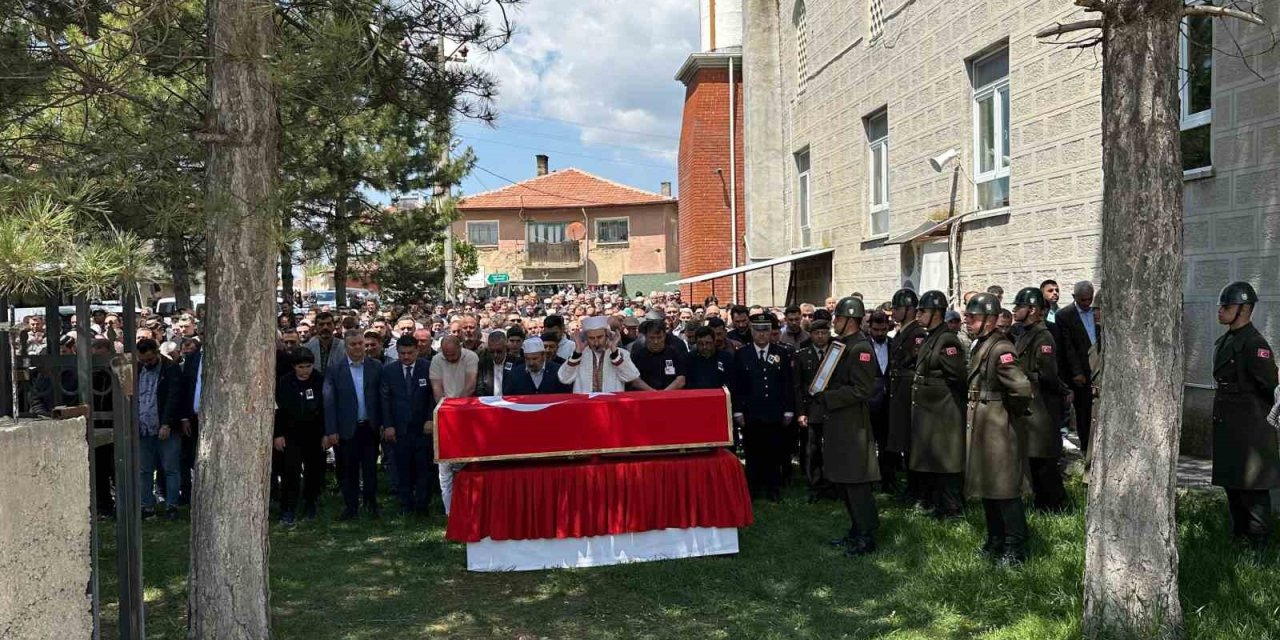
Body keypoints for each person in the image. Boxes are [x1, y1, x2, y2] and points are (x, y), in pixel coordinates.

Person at [963, 293, 1034, 565]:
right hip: (984, 423)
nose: (967, 321)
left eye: (973, 317)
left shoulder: (1001, 348)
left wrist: (1008, 414)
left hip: (998, 425)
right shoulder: (982, 344)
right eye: (967, 316)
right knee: (988, 487)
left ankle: (1015, 547)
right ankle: (995, 539)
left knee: (1004, 490)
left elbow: (1021, 389)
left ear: (990, 320)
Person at [1212, 281, 1279, 548]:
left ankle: (1259, 542)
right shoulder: (1226, 340)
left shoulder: (1255, 344)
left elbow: (1271, 386)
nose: (1220, 310)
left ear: (1244, 309)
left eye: (1226, 306)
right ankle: (1239, 536)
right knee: (1233, 482)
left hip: (1251, 427)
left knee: (1253, 486)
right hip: (1230, 423)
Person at [818, 297, 882, 556]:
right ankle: (856, 529)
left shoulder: (860, 348)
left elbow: (863, 389)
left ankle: (866, 535)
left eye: (838, 317)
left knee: (856, 481)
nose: (834, 321)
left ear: (850, 320)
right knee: (845, 481)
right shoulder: (844, 344)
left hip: (852, 424)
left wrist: (828, 398)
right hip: (839, 421)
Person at [910, 290, 968, 518]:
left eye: (922, 311)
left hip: (944, 409)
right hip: (931, 410)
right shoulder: (932, 336)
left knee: (947, 461)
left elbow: (958, 377)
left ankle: (952, 509)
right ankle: (937, 503)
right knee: (934, 460)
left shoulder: (947, 339)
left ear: (936, 313)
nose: (918, 315)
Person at [1011, 287, 1068, 512]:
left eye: (1020, 306)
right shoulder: (1025, 333)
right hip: (1030, 405)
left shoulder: (1043, 337)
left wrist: (1021, 376)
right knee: (1034, 460)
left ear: (1033, 309)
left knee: (1044, 461)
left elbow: (1047, 375)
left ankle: (1055, 505)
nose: (1015, 310)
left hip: (1041, 407)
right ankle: (1041, 503)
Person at [731, 313, 796, 501]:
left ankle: (773, 488)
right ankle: (753, 488)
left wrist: (788, 410)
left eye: (765, 330)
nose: (762, 334)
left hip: (774, 411)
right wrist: (738, 411)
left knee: (774, 451)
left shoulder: (781, 353)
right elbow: (738, 385)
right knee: (753, 451)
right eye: (758, 330)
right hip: (751, 412)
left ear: (771, 332)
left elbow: (787, 383)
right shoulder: (742, 354)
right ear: (751, 331)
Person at [323, 333, 384, 520]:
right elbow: (329, 402)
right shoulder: (335, 370)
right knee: (349, 469)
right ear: (346, 346)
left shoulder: (376, 366)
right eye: (353, 344)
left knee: (370, 468)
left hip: (370, 426)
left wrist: (384, 423)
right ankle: (351, 507)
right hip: (347, 428)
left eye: (360, 343)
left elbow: (382, 397)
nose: (358, 347)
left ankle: (371, 504)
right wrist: (331, 430)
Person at [381, 335, 437, 516]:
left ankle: (422, 505)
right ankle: (406, 504)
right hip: (399, 428)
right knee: (402, 467)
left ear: (417, 351)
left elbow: (433, 396)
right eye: (402, 353)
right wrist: (388, 425)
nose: (406, 357)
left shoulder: (427, 367)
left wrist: (430, 418)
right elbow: (385, 400)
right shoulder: (389, 371)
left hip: (422, 428)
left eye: (409, 353)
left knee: (423, 467)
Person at [274, 348, 327, 524]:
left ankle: (311, 504)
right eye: (301, 367)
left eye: (308, 366)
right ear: (294, 367)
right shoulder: (285, 382)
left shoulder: (319, 379)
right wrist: (278, 434)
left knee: (314, 471)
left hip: (314, 433)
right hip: (291, 434)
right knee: (291, 471)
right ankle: (288, 508)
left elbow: (325, 408)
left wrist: (325, 434)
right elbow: (279, 410)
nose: (305, 371)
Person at [430, 335, 478, 515]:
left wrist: (457, 409)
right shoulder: (437, 360)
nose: (449, 358)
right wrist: (445, 409)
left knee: (466, 464)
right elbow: (437, 389)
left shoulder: (471, 357)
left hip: (466, 414)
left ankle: (469, 506)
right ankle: (449, 511)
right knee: (445, 467)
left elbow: (470, 386)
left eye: (452, 354)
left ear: (460, 347)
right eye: (446, 355)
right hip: (445, 415)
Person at [136, 338, 183, 520]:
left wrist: (166, 423)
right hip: (143, 426)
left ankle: (172, 506)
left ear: (157, 353)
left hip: (164, 425)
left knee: (170, 468)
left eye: (149, 359)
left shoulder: (170, 368)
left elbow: (174, 396)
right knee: (144, 470)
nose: (146, 363)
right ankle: (147, 506)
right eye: (143, 360)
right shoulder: (137, 369)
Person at [887, 288, 926, 501]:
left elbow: (914, 361)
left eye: (897, 308)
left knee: (912, 442)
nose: (893, 312)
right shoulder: (903, 332)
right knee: (904, 441)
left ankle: (917, 489)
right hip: (899, 389)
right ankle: (912, 487)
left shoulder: (917, 333)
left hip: (908, 390)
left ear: (909, 309)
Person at [1054, 281, 1099, 452]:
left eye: (1089, 299)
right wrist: (1076, 373)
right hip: (1080, 374)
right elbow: (1067, 348)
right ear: (1074, 297)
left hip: (1099, 369)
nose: (1087, 303)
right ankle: (1086, 450)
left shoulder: (1099, 311)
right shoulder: (1064, 316)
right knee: (1084, 414)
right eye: (1082, 300)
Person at [794, 319, 835, 502]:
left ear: (829, 333)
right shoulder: (802, 355)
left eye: (824, 333)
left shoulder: (836, 354)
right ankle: (815, 485)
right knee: (813, 448)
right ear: (810, 335)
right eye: (816, 333)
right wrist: (801, 412)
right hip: (812, 409)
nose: (820, 336)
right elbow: (797, 387)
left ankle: (832, 484)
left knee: (833, 447)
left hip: (833, 407)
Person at [558, 316, 640, 393]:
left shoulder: (621, 354)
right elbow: (564, 378)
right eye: (591, 338)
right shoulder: (577, 355)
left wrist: (614, 353)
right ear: (586, 338)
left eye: (600, 337)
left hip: (611, 402)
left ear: (607, 335)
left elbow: (631, 377)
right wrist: (577, 353)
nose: (596, 342)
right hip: (584, 402)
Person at [866, 311, 894, 494]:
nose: (879, 333)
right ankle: (868, 479)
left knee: (887, 444)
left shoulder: (893, 344)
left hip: (889, 402)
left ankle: (887, 480)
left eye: (883, 330)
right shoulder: (863, 346)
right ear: (869, 328)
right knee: (868, 443)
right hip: (869, 402)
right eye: (876, 330)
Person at [631, 319, 687, 391]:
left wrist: (663, 394)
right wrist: (653, 393)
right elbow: (635, 380)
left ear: (664, 336)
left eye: (659, 337)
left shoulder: (675, 354)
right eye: (652, 338)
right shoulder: (638, 355)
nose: (656, 341)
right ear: (646, 337)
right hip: (645, 394)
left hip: (670, 394)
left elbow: (681, 380)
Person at [503, 337, 569, 395]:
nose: (531, 363)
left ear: (543, 355)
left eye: (535, 359)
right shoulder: (515, 374)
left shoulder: (558, 371)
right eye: (527, 359)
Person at [474, 331, 512, 397]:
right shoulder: (483, 363)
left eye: (499, 351)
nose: (495, 355)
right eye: (491, 351)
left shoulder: (515, 363)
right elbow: (480, 389)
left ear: (506, 348)